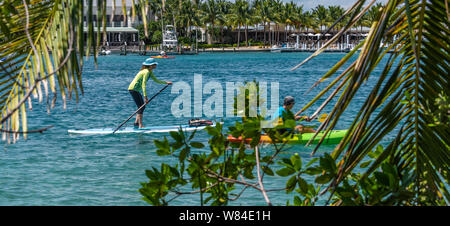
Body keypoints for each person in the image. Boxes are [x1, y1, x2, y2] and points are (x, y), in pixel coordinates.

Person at [128, 58, 172, 128]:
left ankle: (136, 123)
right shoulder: (146, 72)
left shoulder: (149, 71)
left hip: (135, 90)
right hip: (133, 89)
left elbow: (156, 80)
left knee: (141, 107)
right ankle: (140, 125)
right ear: (151, 65)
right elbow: (143, 84)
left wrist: (166, 82)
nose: (156, 66)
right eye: (154, 64)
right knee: (141, 107)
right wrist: (145, 97)